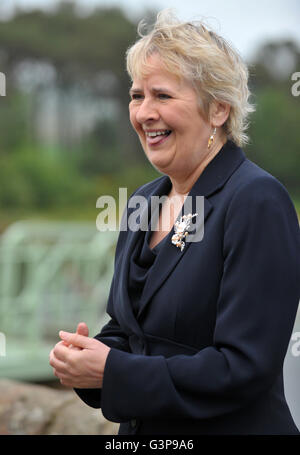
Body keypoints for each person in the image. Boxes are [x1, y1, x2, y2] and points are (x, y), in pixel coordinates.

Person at [49, 10, 300, 435]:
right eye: (136, 95)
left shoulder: (256, 201)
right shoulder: (144, 201)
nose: (144, 112)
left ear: (218, 109)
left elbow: (244, 367)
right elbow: (130, 333)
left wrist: (113, 371)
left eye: (162, 96)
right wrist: (86, 357)